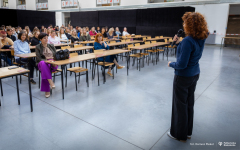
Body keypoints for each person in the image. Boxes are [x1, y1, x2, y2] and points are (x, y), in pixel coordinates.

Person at [167, 12, 209, 142]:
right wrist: (179, 43)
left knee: (180, 106)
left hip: (183, 77)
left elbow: (181, 64)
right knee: (189, 104)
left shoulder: (187, 41)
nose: (183, 25)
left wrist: (170, 64)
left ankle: (179, 135)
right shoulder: (202, 37)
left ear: (190, 25)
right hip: (194, 74)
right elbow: (190, 51)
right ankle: (188, 132)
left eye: (185, 23)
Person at [36, 33, 58, 98]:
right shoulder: (38, 47)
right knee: (43, 64)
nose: (46, 39)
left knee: (44, 70)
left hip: (52, 62)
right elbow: (39, 58)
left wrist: (52, 60)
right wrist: (47, 60)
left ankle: (47, 90)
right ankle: (50, 82)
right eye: (44, 38)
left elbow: (56, 55)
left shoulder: (51, 45)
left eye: (47, 38)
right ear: (40, 39)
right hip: (43, 62)